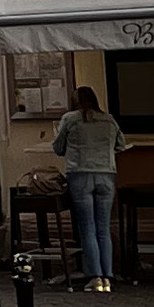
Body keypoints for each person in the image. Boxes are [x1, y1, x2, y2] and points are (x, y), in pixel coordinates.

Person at [51, 82, 122, 294]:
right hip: (106, 175)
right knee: (103, 227)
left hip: (80, 174)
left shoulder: (70, 119)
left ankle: (94, 276)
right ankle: (107, 276)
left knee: (87, 227)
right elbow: (120, 144)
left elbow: (58, 147)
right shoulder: (109, 120)